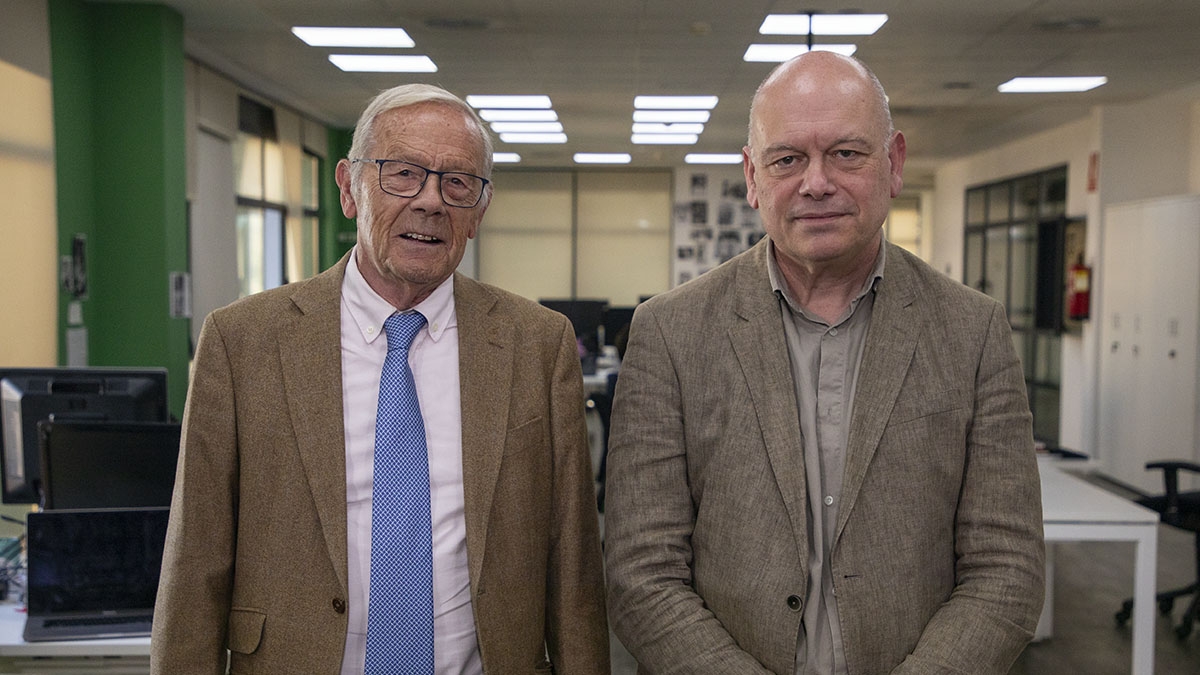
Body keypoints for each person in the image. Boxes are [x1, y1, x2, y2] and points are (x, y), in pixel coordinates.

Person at [604, 52, 1044, 674]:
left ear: (893, 163)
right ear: (752, 176)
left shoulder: (973, 332)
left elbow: (1006, 569)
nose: (816, 183)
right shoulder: (670, 333)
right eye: (787, 159)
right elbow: (641, 573)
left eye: (846, 153)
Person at [151, 84, 609, 674]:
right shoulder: (243, 343)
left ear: (479, 211)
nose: (430, 201)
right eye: (403, 174)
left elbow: (573, 569)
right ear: (349, 188)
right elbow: (196, 568)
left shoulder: (538, 345)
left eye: (457, 182)